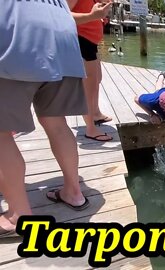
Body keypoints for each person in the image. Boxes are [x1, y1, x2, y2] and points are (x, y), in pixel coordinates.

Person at [0, 0, 90, 237]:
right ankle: (74, 192)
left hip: (16, 32)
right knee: (57, 122)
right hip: (64, 35)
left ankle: (18, 216)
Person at [68, 0, 114, 142]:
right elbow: (63, 15)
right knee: (89, 86)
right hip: (80, 40)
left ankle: (95, 113)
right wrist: (91, 16)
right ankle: (90, 129)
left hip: (90, 42)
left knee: (96, 79)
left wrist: (98, 16)